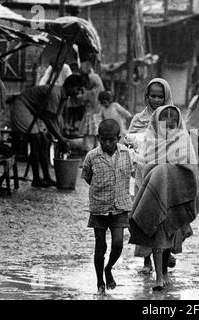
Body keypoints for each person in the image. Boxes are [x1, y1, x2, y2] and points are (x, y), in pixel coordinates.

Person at [129, 105, 199, 291]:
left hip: (174, 199)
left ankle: (165, 273)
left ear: (179, 125)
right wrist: (160, 173)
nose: (168, 130)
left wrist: (171, 170)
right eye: (164, 126)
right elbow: (143, 168)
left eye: (173, 126)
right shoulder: (150, 141)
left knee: (169, 236)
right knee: (156, 239)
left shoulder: (183, 140)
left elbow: (191, 168)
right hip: (154, 196)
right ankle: (159, 277)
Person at [125, 78, 177, 274]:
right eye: (152, 96)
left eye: (160, 96)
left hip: (165, 174)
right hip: (143, 173)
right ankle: (146, 261)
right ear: (146, 97)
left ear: (166, 97)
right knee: (144, 214)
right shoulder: (138, 119)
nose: (156, 99)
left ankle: (166, 251)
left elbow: (180, 144)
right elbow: (130, 144)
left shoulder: (173, 117)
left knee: (165, 215)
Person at [81, 119, 134, 295]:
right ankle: (99, 282)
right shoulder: (91, 156)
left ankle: (109, 268)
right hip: (99, 207)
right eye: (103, 140)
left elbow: (133, 174)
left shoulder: (127, 154)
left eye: (111, 140)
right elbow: (87, 177)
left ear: (118, 138)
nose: (107, 143)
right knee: (100, 246)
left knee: (118, 243)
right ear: (98, 138)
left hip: (120, 206)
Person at [11, 74, 84, 187]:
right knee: (36, 140)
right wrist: (59, 138)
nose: (78, 92)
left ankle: (46, 177)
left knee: (45, 141)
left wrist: (60, 136)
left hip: (33, 111)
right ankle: (36, 179)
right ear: (69, 86)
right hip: (23, 106)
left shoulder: (64, 97)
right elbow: (48, 118)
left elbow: (54, 118)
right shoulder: (55, 93)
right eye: (77, 88)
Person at [79, 60, 105, 152]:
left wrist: (83, 95)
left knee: (91, 137)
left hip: (93, 112)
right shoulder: (95, 79)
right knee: (94, 136)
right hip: (94, 112)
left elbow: (90, 96)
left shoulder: (94, 81)